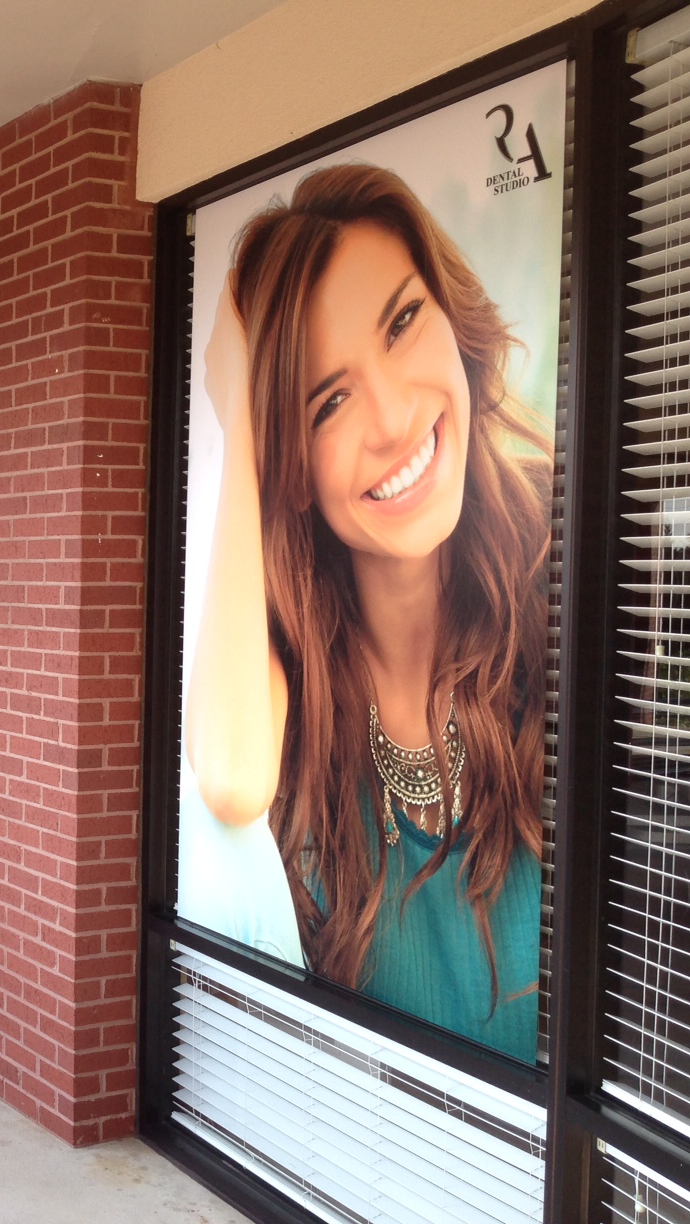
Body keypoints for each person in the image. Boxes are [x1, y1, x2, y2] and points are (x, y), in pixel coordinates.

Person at [186, 164, 551, 1060]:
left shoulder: (562, 575)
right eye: (329, 402)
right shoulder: (288, 677)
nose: (390, 421)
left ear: (453, 322)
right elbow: (228, 785)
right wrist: (237, 407)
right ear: (290, 467)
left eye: (402, 322)